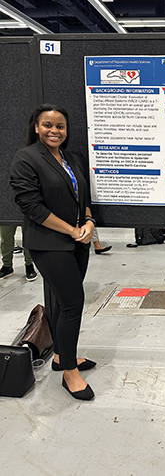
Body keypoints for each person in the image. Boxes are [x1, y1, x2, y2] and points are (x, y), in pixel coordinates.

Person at [10, 103, 96, 401]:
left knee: (62, 302)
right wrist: (72, 230)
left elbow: (83, 197)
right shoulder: (27, 158)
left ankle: (61, 356)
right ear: (36, 127)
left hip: (77, 242)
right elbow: (31, 207)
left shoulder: (72, 158)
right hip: (48, 244)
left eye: (60, 126)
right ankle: (69, 373)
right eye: (47, 125)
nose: (54, 131)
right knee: (73, 304)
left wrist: (88, 220)